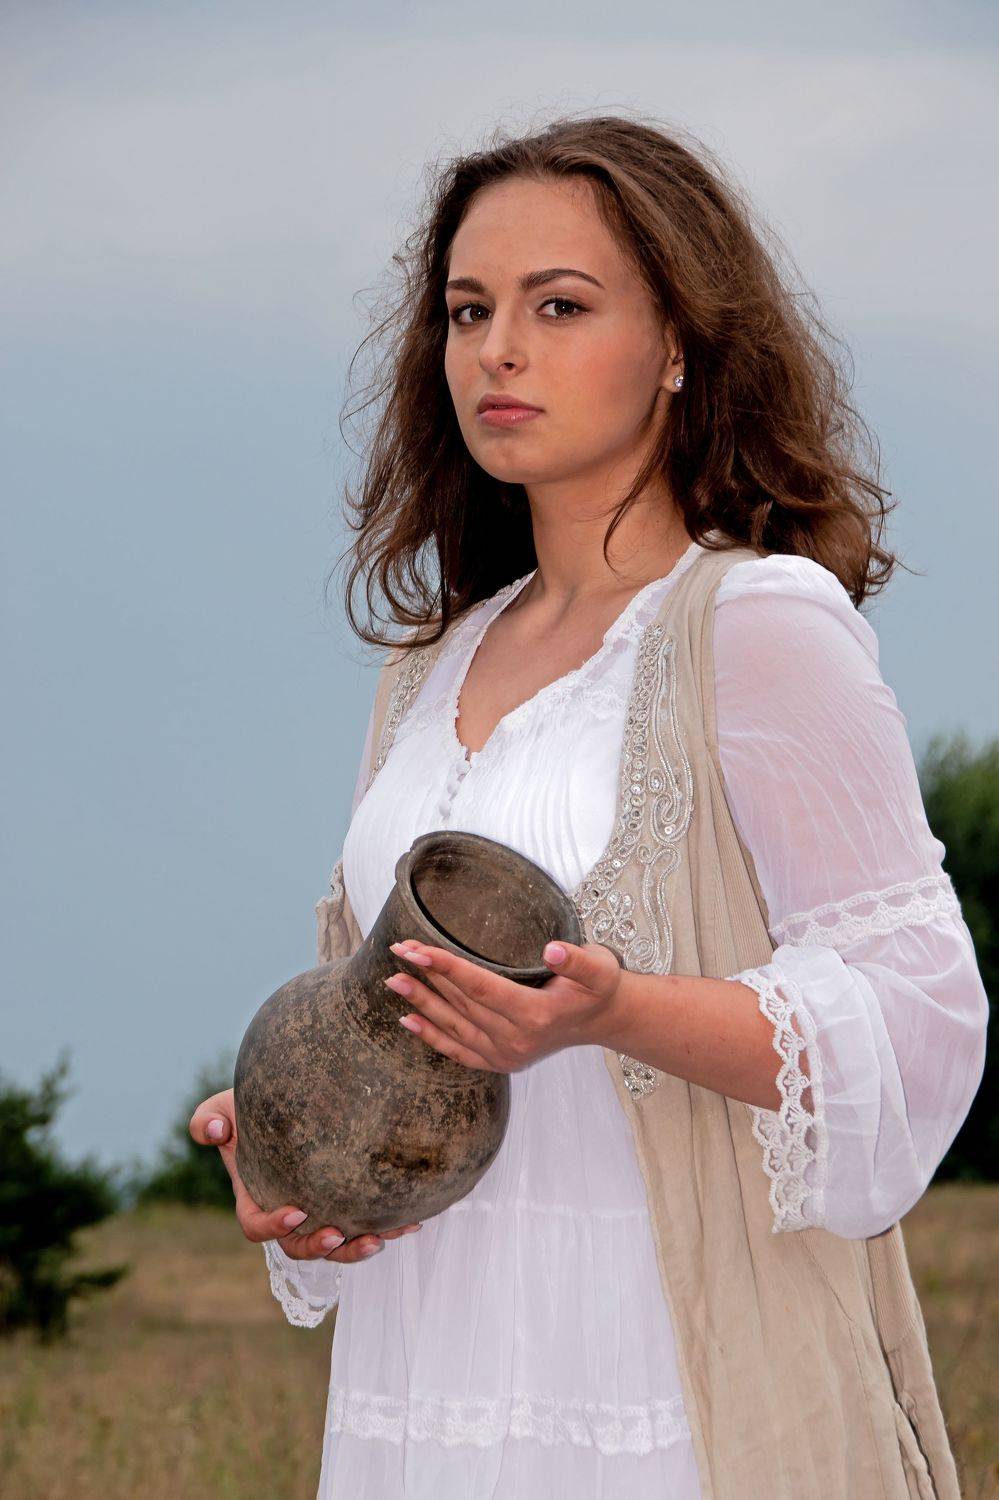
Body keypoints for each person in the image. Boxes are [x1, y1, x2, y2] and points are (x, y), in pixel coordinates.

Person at [189, 115, 988, 1497]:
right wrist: (295, 1134)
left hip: (658, 1375)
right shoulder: (429, 665)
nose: (498, 351)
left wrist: (610, 1011)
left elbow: (919, 1014)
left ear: (677, 345)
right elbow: (386, 1011)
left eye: (559, 306)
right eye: (469, 311)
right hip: (430, 1364)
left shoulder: (760, 624)